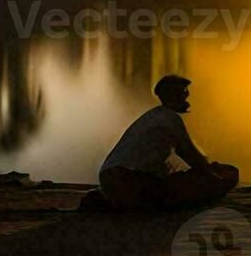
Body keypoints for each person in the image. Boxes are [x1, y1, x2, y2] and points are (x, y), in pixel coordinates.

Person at [89, 74, 239, 212]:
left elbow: (167, 164)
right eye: (183, 93)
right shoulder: (168, 118)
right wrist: (214, 174)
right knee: (211, 181)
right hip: (127, 179)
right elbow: (190, 155)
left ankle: (114, 202)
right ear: (173, 95)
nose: (186, 98)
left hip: (111, 179)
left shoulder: (155, 116)